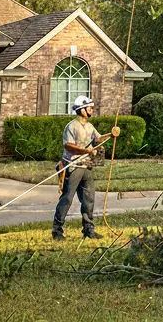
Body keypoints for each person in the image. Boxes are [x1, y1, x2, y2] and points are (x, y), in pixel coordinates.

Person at [52, 95, 121, 241]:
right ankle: (57, 231)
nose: (92, 110)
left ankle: (88, 229)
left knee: (89, 199)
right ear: (82, 110)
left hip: (86, 167)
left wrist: (111, 134)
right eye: (89, 107)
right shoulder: (71, 126)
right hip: (73, 167)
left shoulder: (90, 126)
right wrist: (86, 151)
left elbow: (98, 139)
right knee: (67, 199)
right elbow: (69, 146)